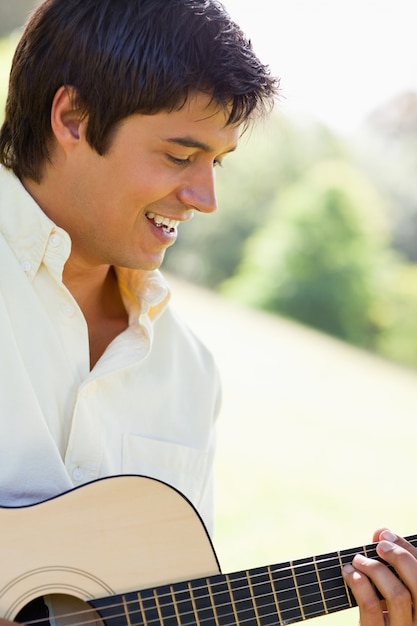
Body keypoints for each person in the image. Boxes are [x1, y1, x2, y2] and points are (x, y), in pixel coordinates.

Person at [0, 1, 415, 625]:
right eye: (179, 154)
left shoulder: (189, 374)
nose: (205, 198)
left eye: (215, 162)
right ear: (73, 117)